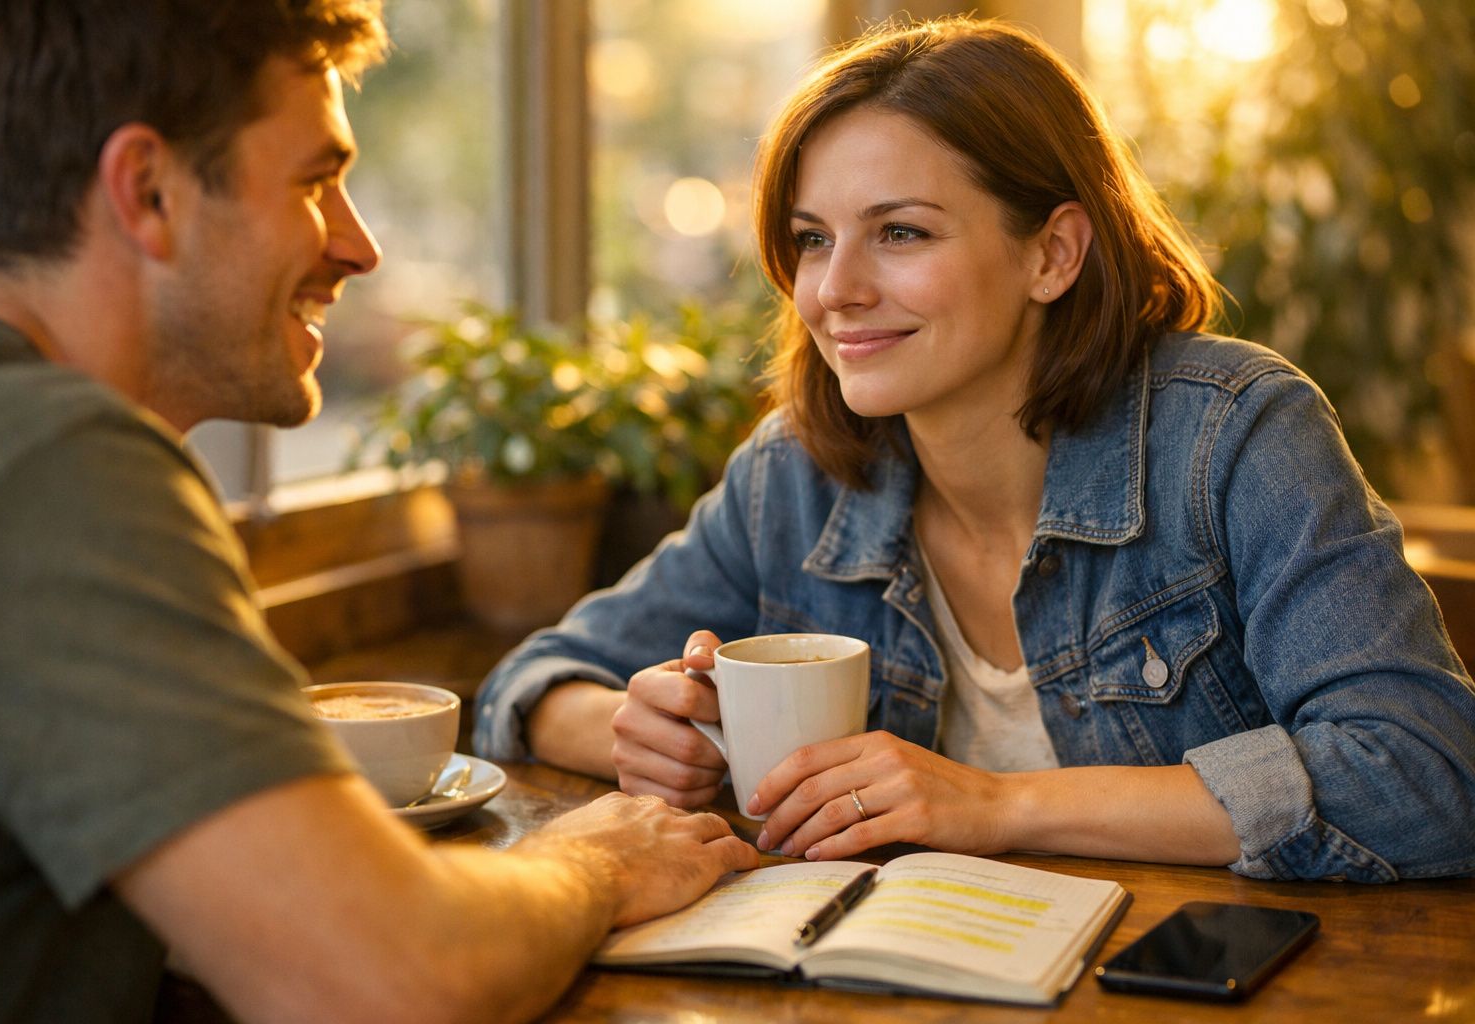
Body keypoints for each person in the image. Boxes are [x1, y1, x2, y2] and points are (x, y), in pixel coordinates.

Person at [475, 15, 1475, 884]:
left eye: (901, 233)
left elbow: (1429, 775)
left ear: (1052, 253)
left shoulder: (1233, 433)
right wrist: (634, 733)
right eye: (813, 238)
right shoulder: (794, 476)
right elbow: (531, 680)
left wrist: (999, 804)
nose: (833, 290)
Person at [0, 2, 758, 1022]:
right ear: (147, 191)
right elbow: (390, 977)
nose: (358, 246)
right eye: (317, 181)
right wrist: (591, 864)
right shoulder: (43, 459)